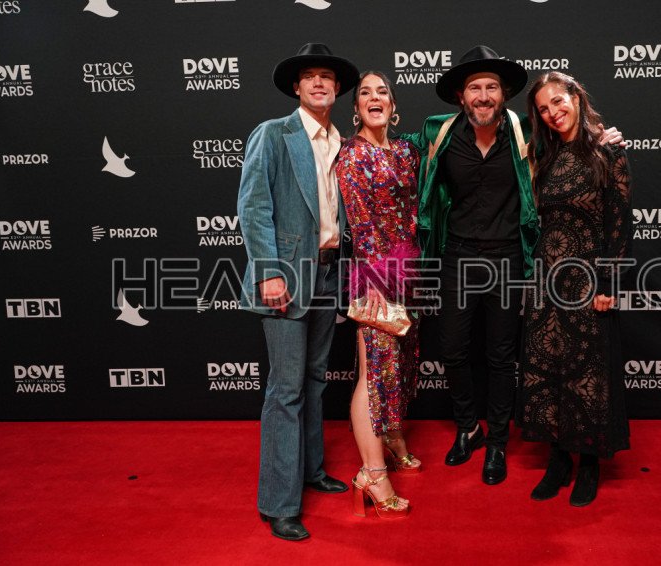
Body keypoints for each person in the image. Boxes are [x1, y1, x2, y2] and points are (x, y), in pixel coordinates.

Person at [404, 46, 623, 485]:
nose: (483, 95)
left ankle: (499, 442)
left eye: (491, 87)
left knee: (502, 355)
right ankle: (468, 428)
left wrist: (600, 139)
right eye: (475, 88)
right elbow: (394, 152)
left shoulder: (526, 132)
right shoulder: (438, 132)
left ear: (503, 94)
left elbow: (570, 146)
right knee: (452, 349)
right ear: (461, 96)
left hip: (506, 257)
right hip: (456, 256)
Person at [236, 43, 359, 540]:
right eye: (310, 76)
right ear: (297, 87)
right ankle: (279, 503)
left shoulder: (342, 143)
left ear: (337, 88)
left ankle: (310, 471)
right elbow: (253, 206)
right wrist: (268, 272)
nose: (319, 83)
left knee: (313, 381)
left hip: (328, 273)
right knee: (285, 390)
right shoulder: (273, 133)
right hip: (285, 276)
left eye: (326, 76)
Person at [519, 71, 632, 507]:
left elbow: (618, 222)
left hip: (588, 280)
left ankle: (588, 464)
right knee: (550, 370)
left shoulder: (608, 151)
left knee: (588, 372)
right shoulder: (544, 158)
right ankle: (558, 459)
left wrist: (608, 282)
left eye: (557, 101)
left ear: (576, 97)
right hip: (547, 281)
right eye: (543, 109)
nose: (553, 112)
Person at [336, 71, 421, 518]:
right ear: (356, 109)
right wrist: (372, 278)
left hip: (408, 270)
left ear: (393, 104)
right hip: (374, 275)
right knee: (375, 371)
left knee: (400, 364)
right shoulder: (352, 154)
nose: (375, 98)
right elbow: (360, 221)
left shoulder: (406, 149)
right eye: (365, 93)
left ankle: (392, 437)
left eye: (382, 92)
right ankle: (371, 474)